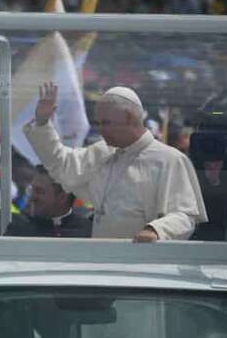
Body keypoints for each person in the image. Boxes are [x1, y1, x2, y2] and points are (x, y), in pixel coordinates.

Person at [25, 83, 206, 241]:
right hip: (104, 258)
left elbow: (185, 216)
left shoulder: (169, 160)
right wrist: (42, 123)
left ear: (129, 118)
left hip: (146, 259)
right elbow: (61, 164)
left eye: (106, 123)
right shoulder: (103, 152)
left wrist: (156, 230)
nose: (101, 130)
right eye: (99, 123)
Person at [7, 166, 92, 238]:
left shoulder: (88, 232)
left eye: (39, 191)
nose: (31, 198)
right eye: (31, 190)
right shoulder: (18, 230)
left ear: (62, 197)